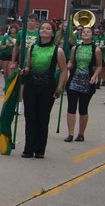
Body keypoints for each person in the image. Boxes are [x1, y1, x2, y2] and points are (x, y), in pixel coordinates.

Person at [20, 21, 67, 158]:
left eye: (47, 29)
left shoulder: (57, 50)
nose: (44, 30)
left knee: (43, 118)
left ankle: (40, 149)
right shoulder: (32, 48)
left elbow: (64, 70)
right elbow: (29, 66)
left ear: (53, 33)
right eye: (42, 28)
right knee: (30, 117)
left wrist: (59, 87)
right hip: (31, 87)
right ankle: (28, 148)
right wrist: (25, 71)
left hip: (48, 87)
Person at [64, 26, 102, 142]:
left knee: (83, 108)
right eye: (83, 32)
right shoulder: (76, 48)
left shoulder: (95, 49)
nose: (85, 33)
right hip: (74, 81)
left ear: (92, 35)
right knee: (71, 107)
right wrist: (65, 67)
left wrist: (95, 76)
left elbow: (99, 66)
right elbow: (71, 62)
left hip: (87, 82)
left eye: (88, 32)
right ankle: (70, 134)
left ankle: (81, 133)